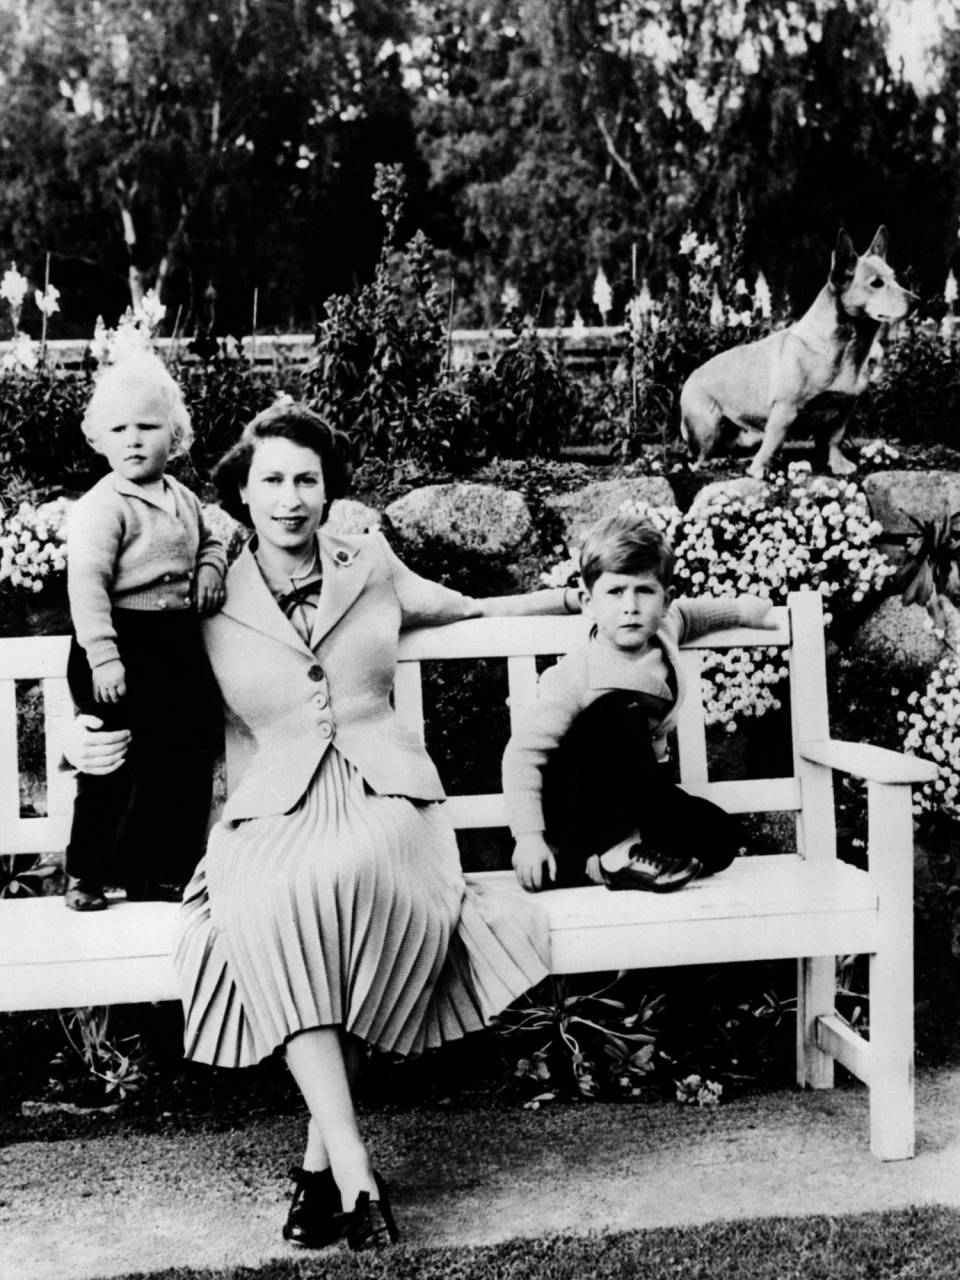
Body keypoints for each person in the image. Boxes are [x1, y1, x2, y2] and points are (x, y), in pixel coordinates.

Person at [65, 400, 573, 1252]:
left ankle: (327, 1170)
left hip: (385, 797)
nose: (291, 497)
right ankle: (350, 1173)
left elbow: (453, 607)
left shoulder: (368, 561)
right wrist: (88, 721)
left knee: (363, 885)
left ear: (330, 489)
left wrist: (554, 599)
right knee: (284, 901)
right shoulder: (205, 588)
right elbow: (126, 657)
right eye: (273, 480)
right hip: (273, 803)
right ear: (243, 492)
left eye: (308, 479)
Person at [503, 512, 776, 894]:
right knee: (618, 712)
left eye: (644, 591)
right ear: (588, 602)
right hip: (579, 798)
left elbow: (693, 614)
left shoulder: (664, 629)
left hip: (639, 794)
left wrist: (745, 611)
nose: (630, 606)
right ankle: (614, 852)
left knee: (718, 839)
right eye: (615, 592)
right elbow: (523, 756)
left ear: (665, 600)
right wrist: (529, 836)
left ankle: (596, 865)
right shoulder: (576, 673)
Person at [63, 352, 226, 911]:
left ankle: (161, 870)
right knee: (111, 758)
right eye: (119, 429)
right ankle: (85, 871)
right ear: (99, 440)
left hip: (173, 645)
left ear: (174, 435)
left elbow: (212, 540)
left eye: (148, 427)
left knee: (182, 758)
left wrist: (209, 568)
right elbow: (86, 583)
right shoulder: (103, 507)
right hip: (115, 643)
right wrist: (105, 658)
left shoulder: (181, 497)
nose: (133, 440)